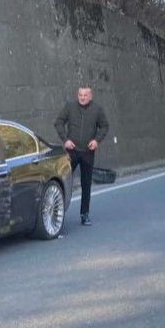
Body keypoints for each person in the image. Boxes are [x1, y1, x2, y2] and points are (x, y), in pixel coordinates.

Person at [54, 86, 110, 226]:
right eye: (80, 95)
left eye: (85, 95)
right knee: (61, 181)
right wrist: (65, 140)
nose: (82, 97)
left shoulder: (97, 110)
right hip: (72, 151)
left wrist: (97, 140)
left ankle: (84, 214)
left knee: (86, 184)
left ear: (90, 96)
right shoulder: (70, 107)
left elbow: (104, 126)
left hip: (88, 152)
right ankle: (56, 213)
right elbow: (58, 122)